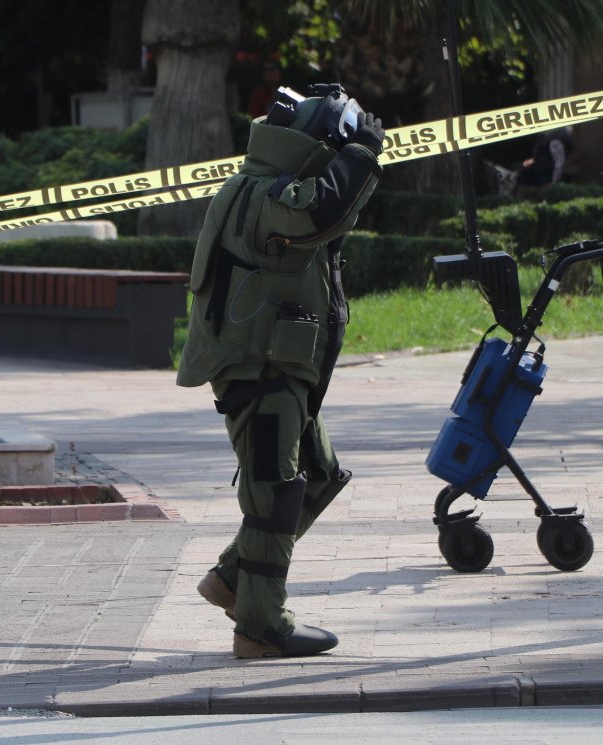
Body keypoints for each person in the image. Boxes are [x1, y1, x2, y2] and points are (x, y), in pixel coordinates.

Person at [176, 84, 384, 658]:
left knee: (317, 474)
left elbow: (328, 212)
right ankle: (261, 626)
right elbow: (323, 210)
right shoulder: (264, 194)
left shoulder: (270, 186)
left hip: (284, 365)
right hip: (258, 365)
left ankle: (235, 579)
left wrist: (353, 155)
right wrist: (362, 153)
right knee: (273, 492)